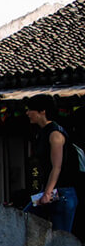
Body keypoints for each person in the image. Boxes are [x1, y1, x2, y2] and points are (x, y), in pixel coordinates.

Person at [24, 94, 79, 232]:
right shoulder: (41, 133)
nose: (28, 113)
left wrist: (47, 193)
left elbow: (57, 166)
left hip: (62, 193)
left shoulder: (55, 134)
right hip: (51, 191)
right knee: (25, 216)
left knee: (60, 237)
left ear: (42, 111)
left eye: (31, 110)